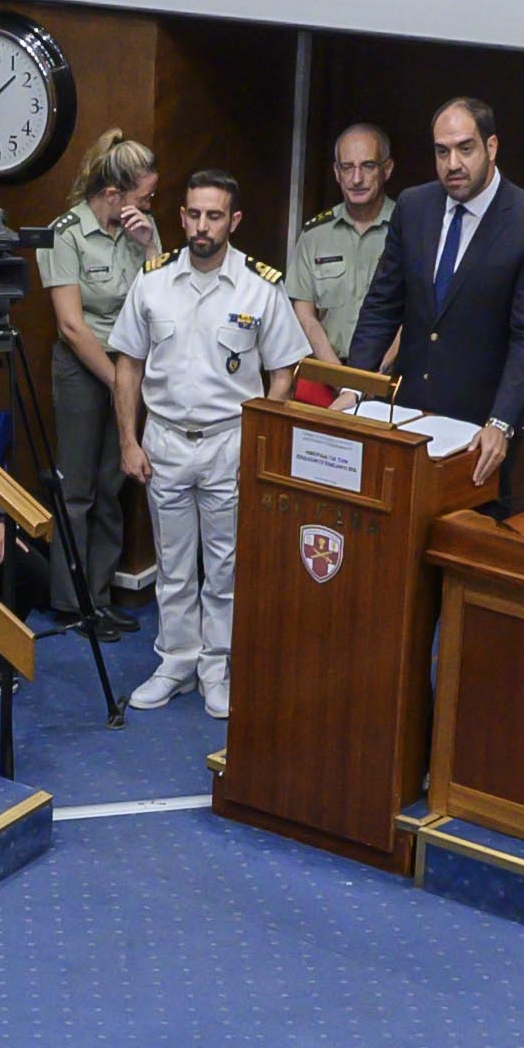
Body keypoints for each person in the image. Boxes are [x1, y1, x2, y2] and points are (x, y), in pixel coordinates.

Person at [105, 170, 316, 715]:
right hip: (166, 440)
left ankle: (216, 667)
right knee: (173, 564)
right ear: (181, 217)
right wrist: (128, 441)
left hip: (229, 441)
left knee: (224, 567)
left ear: (233, 221)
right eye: (194, 215)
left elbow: (283, 372)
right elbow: (128, 364)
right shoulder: (152, 281)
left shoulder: (259, 286)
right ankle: (176, 662)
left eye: (214, 216)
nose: (202, 226)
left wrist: (261, 442)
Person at [339, 90, 524, 462]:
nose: (452, 163)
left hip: (480, 424)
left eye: (465, 149)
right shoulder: (414, 207)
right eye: (442, 152)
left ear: (491, 147)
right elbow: (382, 305)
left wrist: (501, 421)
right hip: (406, 413)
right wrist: (354, 385)